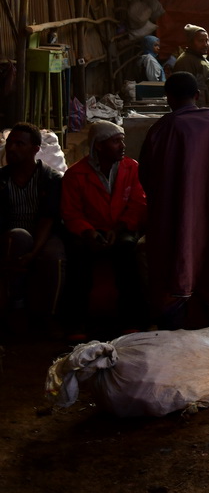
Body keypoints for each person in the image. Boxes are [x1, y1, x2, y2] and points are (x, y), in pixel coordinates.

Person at [139, 72, 209, 329]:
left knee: (177, 254)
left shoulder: (164, 127)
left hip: (176, 210)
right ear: (197, 95)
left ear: (169, 98)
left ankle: (173, 321)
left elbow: (147, 173)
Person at [60, 121, 148, 338]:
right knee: (77, 255)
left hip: (122, 226)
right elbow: (71, 212)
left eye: (122, 140)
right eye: (116, 141)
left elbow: (138, 203)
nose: (122, 146)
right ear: (98, 146)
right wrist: (89, 232)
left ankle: (131, 320)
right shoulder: (75, 174)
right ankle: (77, 323)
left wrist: (117, 229)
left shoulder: (132, 168)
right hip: (89, 231)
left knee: (127, 249)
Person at [0, 123, 64, 332]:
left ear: (35, 149)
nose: (12, 148)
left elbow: (48, 218)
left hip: (43, 233)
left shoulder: (50, 178)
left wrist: (34, 251)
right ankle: (15, 306)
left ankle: (49, 316)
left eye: (20, 144)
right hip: (12, 234)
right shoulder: (2, 179)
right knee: (17, 237)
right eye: (10, 143)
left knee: (54, 256)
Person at [174, 24, 209, 110]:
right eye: (201, 41)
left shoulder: (199, 58)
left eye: (207, 40)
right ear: (190, 42)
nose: (205, 44)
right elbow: (186, 94)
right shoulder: (185, 61)